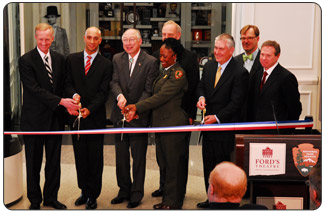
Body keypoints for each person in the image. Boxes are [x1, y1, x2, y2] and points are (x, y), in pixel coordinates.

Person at [19, 23, 80, 210]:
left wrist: (73, 98)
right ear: (35, 38)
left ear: (52, 38)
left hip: (55, 119)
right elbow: (34, 90)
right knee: (33, 163)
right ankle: (35, 201)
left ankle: (51, 198)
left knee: (53, 162)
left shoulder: (60, 59)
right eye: (40, 38)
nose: (44, 42)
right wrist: (62, 101)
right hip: (33, 120)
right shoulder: (26, 60)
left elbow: (64, 85)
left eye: (47, 39)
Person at [124, 38, 190, 209]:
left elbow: (160, 97)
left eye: (165, 56)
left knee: (173, 165)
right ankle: (169, 198)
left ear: (174, 56)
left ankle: (172, 202)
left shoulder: (178, 74)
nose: (161, 59)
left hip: (173, 125)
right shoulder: (165, 71)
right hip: (162, 125)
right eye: (160, 55)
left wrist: (137, 106)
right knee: (165, 164)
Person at [196, 33, 249, 208]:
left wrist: (217, 118)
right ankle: (210, 198)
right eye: (215, 48)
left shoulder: (240, 72)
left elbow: (237, 103)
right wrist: (201, 97)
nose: (216, 52)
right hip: (208, 129)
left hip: (225, 129)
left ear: (231, 50)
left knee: (222, 168)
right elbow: (201, 86)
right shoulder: (210, 66)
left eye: (220, 49)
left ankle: (224, 203)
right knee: (208, 166)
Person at [109, 28, 159, 209]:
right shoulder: (116, 59)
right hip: (119, 115)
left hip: (139, 116)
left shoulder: (151, 62)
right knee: (121, 158)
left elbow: (149, 90)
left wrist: (135, 108)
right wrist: (119, 96)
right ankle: (123, 190)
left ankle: (136, 193)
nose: (128, 43)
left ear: (139, 41)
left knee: (138, 158)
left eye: (131, 40)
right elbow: (114, 82)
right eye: (125, 40)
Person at [64, 26, 113, 209]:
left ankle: (93, 194)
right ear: (84, 38)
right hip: (75, 117)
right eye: (89, 37)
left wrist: (89, 109)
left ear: (100, 41)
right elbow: (67, 83)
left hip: (94, 117)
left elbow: (103, 93)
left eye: (96, 38)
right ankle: (83, 191)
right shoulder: (72, 59)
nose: (92, 41)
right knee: (80, 156)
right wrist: (74, 95)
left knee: (95, 157)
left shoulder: (106, 64)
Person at [151, 20, 200, 198]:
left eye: (170, 35)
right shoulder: (157, 54)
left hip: (180, 115)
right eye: (164, 34)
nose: (166, 38)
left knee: (178, 157)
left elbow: (193, 87)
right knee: (161, 155)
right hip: (159, 116)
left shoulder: (189, 57)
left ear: (178, 36)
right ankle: (164, 187)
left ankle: (179, 190)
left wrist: (189, 115)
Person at [249, 40, 302, 134]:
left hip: (277, 131)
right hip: (256, 129)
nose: (264, 58)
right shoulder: (257, 74)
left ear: (277, 56)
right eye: (262, 54)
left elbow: (294, 108)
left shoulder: (286, 77)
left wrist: (286, 131)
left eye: (268, 55)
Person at [234, 25, 262, 122]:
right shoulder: (234, 61)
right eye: (243, 38)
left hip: (258, 116)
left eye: (249, 38)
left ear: (257, 38)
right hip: (238, 116)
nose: (246, 41)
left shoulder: (265, 60)